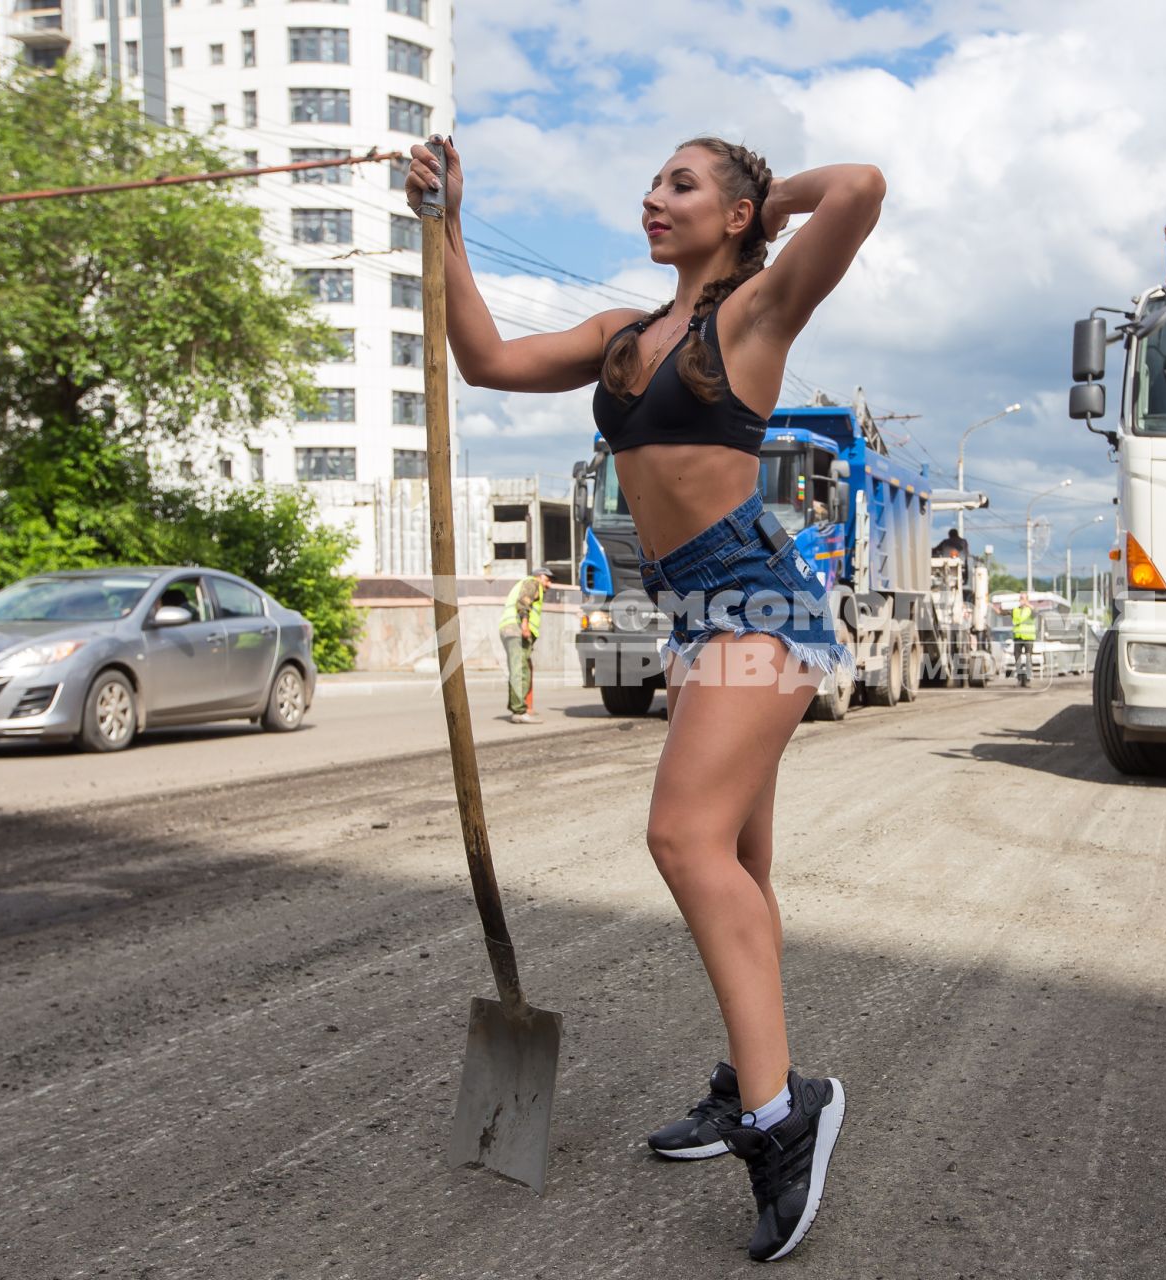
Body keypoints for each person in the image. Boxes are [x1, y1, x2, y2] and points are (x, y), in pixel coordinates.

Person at [409, 131, 881, 1262]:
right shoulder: (620, 336)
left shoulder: (758, 313)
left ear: (732, 214)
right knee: (740, 864)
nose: (652, 198)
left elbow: (860, 188)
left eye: (681, 184)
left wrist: (765, 209)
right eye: (653, 183)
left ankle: (781, 1117)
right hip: (690, 614)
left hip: (758, 603)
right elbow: (482, 359)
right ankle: (748, 1078)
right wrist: (447, 224)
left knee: (682, 837)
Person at [498, 566, 552, 724]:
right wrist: (525, 625)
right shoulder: (532, 583)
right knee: (519, 669)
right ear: (540, 576)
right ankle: (519, 711)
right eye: (547, 580)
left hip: (513, 629)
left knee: (524, 669)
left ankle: (521, 707)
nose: (549, 584)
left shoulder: (528, 584)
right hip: (516, 629)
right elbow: (523, 603)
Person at [1011, 592, 1038, 684]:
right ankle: (1020, 678)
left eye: (1023, 598)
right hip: (1018, 637)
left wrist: (1028, 605)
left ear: (1027, 600)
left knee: (1028, 658)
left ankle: (1027, 678)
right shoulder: (1015, 610)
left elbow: (1036, 612)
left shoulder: (1030, 610)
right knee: (1017, 658)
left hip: (1028, 637)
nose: (1021, 600)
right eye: (1020, 598)